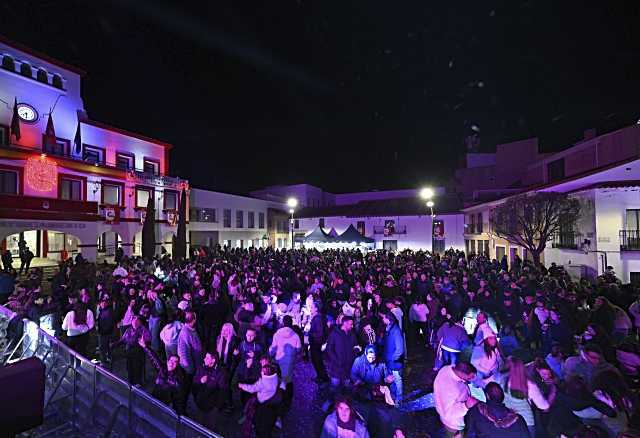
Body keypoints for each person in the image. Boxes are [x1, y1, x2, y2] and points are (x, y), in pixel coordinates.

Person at [501, 356, 553, 437]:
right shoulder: (529, 385)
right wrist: (553, 392)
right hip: (526, 421)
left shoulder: (502, 379)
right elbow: (545, 407)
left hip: (509, 418)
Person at [139, 336, 188, 415]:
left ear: (177, 365)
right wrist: (145, 346)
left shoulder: (178, 379)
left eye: (175, 362)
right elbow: (153, 358)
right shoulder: (162, 369)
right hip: (154, 399)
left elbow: (179, 400)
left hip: (164, 407)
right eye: (171, 360)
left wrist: (178, 415)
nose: (172, 363)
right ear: (168, 361)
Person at [433, 361, 478, 437]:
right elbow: (448, 413)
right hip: (453, 423)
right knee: (454, 435)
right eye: (470, 377)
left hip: (449, 415)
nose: (471, 379)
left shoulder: (447, 369)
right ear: (462, 374)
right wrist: (466, 405)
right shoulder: (451, 389)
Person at [238, 361, 282, 438]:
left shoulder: (263, 382)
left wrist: (242, 386)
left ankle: (252, 428)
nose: (261, 371)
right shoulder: (275, 378)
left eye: (262, 371)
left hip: (261, 402)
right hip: (269, 402)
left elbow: (252, 388)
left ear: (266, 373)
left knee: (255, 417)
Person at [269, 315, 301, 411]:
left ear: (283, 323)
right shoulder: (295, 335)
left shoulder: (277, 334)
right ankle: (287, 401)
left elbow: (273, 348)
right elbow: (299, 350)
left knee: (279, 380)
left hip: (279, 361)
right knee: (288, 381)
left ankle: (279, 400)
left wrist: (270, 353)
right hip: (290, 362)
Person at [112, 315, 151, 385]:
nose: (135, 322)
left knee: (137, 368)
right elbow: (123, 339)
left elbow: (148, 341)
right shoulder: (129, 329)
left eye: (137, 321)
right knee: (129, 368)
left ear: (140, 322)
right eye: (133, 320)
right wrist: (114, 344)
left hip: (138, 353)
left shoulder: (143, 330)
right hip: (129, 352)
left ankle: (138, 383)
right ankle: (131, 382)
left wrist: (145, 342)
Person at [325, 315, 359, 395]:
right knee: (334, 387)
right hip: (336, 368)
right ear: (345, 323)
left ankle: (345, 403)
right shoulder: (334, 334)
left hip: (348, 368)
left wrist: (354, 355)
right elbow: (329, 349)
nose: (352, 326)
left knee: (346, 388)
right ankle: (334, 402)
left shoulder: (352, 335)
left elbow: (356, 346)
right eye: (351, 324)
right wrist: (336, 360)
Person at [192, 351, 228, 426]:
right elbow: (194, 384)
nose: (204, 359)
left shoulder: (220, 373)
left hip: (211, 409)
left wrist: (217, 408)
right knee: (198, 425)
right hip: (199, 405)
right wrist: (200, 381)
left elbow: (223, 392)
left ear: (213, 360)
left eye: (207, 358)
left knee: (209, 427)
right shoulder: (201, 368)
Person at [380, 311, 404, 402]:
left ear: (388, 319)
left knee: (397, 380)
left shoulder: (396, 331)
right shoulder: (388, 328)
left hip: (394, 362)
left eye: (384, 318)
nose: (382, 319)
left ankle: (399, 399)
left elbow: (399, 349)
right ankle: (393, 397)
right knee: (392, 380)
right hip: (389, 361)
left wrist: (391, 359)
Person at [177, 310, 204, 388]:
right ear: (194, 320)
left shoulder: (190, 329)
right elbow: (183, 353)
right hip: (191, 367)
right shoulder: (185, 333)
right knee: (191, 385)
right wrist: (190, 369)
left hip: (196, 363)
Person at [308, 300, 329, 384]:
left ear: (316, 309)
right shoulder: (319, 317)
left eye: (312, 307)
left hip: (316, 343)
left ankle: (323, 377)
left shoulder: (317, 319)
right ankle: (321, 376)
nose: (311, 308)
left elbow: (319, 333)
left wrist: (310, 334)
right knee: (317, 360)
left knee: (317, 360)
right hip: (316, 343)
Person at [96, 297, 116, 365]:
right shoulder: (101, 310)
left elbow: (110, 323)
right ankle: (107, 358)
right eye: (102, 302)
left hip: (105, 333)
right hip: (103, 332)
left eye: (105, 302)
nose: (103, 304)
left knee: (103, 347)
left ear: (107, 303)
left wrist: (103, 331)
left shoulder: (109, 311)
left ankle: (103, 361)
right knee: (105, 347)